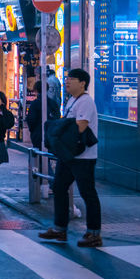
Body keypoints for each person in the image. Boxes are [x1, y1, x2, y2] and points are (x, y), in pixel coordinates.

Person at [39, 68, 104, 247]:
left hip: (84, 157)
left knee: (87, 193)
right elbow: (69, 124)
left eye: (71, 79)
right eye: (66, 79)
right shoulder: (71, 100)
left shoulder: (86, 102)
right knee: (59, 188)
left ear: (82, 82)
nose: (67, 82)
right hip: (69, 154)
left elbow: (80, 127)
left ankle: (94, 233)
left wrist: (59, 128)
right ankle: (60, 229)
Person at [25, 76, 60, 149]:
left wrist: (33, 131)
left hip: (38, 134)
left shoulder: (35, 103)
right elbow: (57, 117)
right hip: (52, 134)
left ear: (36, 90)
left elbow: (31, 120)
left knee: (38, 155)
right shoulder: (53, 103)